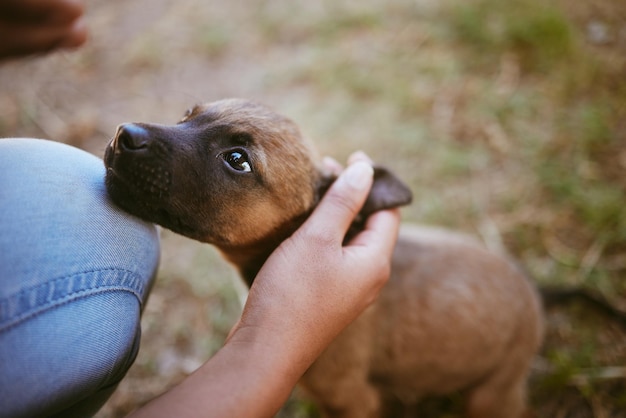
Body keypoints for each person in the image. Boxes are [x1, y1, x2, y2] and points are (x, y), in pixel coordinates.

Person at [0, 2, 401, 416]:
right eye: (190, 118)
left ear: (303, 214)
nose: (134, 135)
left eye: (237, 161)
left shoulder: (333, 352)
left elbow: (356, 405)